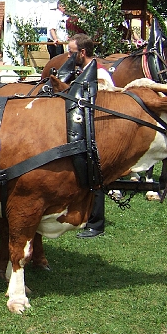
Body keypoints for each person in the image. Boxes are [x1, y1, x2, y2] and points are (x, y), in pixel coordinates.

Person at [69, 33, 112, 238]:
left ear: (82, 52)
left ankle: (96, 223)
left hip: (96, 130)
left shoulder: (100, 75)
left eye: (72, 53)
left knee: (94, 175)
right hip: (85, 129)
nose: (69, 57)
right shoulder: (85, 70)